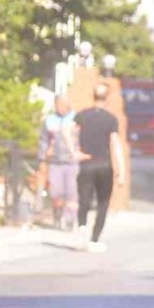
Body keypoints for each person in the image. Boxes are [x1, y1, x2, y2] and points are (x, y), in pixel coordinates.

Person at [75, 83, 125, 253]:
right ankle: (94, 239)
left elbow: (68, 131)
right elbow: (115, 144)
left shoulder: (82, 115)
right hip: (104, 164)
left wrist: (74, 151)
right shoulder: (111, 119)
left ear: (93, 96)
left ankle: (82, 224)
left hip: (86, 163)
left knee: (84, 199)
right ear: (108, 98)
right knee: (103, 203)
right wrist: (122, 170)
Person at [39, 95, 81, 230]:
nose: (60, 108)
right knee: (56, 191)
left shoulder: (77, 119)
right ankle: (57, 216)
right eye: (58, 105)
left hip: (72, 161)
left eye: (63, 105)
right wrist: (42, 158)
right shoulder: (49, 120)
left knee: (71, 192)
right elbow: (43, 140)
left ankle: (70, 219)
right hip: (55, 162)